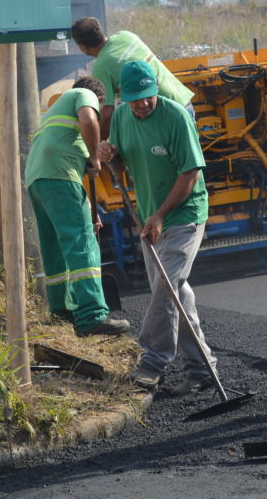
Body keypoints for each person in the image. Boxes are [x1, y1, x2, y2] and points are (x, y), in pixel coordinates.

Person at [96, 60, 214, 395]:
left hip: (184, 215)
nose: (143, 103)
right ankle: (201, 368)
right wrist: (108, 153)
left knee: (165, 286)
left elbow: (190, 174)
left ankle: (151, 361)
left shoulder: (176, 117)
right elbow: (119, 161)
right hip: (150, 218)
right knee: (173, 294)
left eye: (148, 96)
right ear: (123, 97)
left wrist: (161, 214)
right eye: (135, 98)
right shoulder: (119, 118)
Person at [24, 76, 130, 337]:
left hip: (38, 180)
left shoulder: (55, 116)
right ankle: (90, 316)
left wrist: (90, 210)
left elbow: (75, 179)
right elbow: (88, 119)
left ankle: (61, 311)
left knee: (55, 248)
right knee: (82, 244)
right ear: (100, 99)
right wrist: (95, 156)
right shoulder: (84, 95)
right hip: (59, 177)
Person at [70, 16, 195, 138]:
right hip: (182, 102)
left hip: (164, 116)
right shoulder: (126, 35)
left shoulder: (101, 68)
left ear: (83, 47)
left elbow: (107, 114)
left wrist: (99, 146)